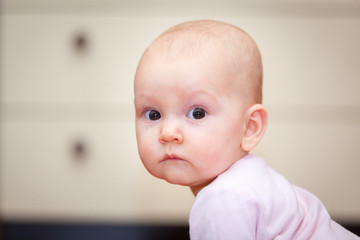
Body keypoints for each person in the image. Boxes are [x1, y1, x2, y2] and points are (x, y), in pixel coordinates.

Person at [133, 19, 359, 239]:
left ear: (250, 128)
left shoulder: (223, 201)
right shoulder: (253, 178)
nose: (167, 132)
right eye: (153, 114)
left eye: (197, 113)